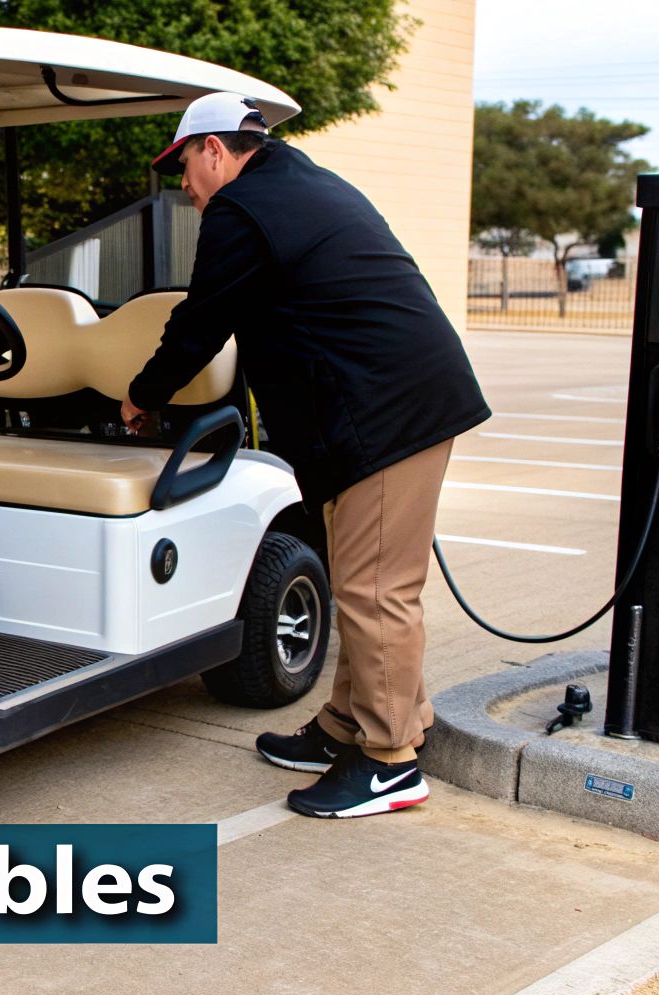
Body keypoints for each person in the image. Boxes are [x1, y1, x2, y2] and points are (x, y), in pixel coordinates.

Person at [122, 93, 491, 818]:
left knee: (376, 591)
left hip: (385, 414)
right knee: (361, 582)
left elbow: (201, 323)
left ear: (215, 150)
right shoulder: (299, 184)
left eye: (185, 165)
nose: (185, 184)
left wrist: (141, 395)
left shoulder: (242, 208)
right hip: (389, 403)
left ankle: (389, 762)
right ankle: (347, 726)